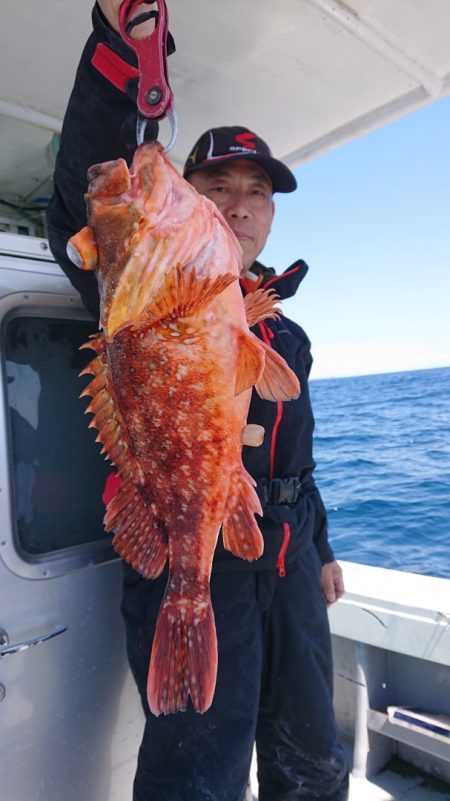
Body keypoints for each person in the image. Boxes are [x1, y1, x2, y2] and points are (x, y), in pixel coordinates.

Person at [46, 3, 349, 800]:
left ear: (272, 213)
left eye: (258, 191)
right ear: (191, 202)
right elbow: (86, 212)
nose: (241, 203)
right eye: (218, 184)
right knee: (196, 775)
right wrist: (120, 50)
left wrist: (321, 550)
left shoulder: (283, 332)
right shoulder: (139, 293)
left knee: (312, 755)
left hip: (283, 561)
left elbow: (300, 463)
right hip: (192, 560)